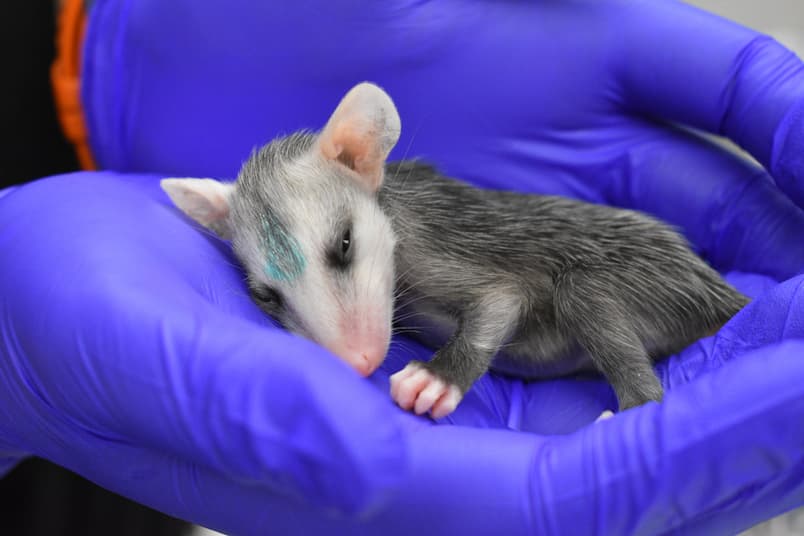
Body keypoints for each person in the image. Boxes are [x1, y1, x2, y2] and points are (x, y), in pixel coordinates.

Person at [1, 1, 802, 534]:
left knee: (592, 294)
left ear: (360, 155)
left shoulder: (408, 222)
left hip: (605, 276)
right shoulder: (288, 230)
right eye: (274, 300)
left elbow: (505, 288)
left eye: (343, 250)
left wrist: (451, 371)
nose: (349, 351)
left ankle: (639, 402)